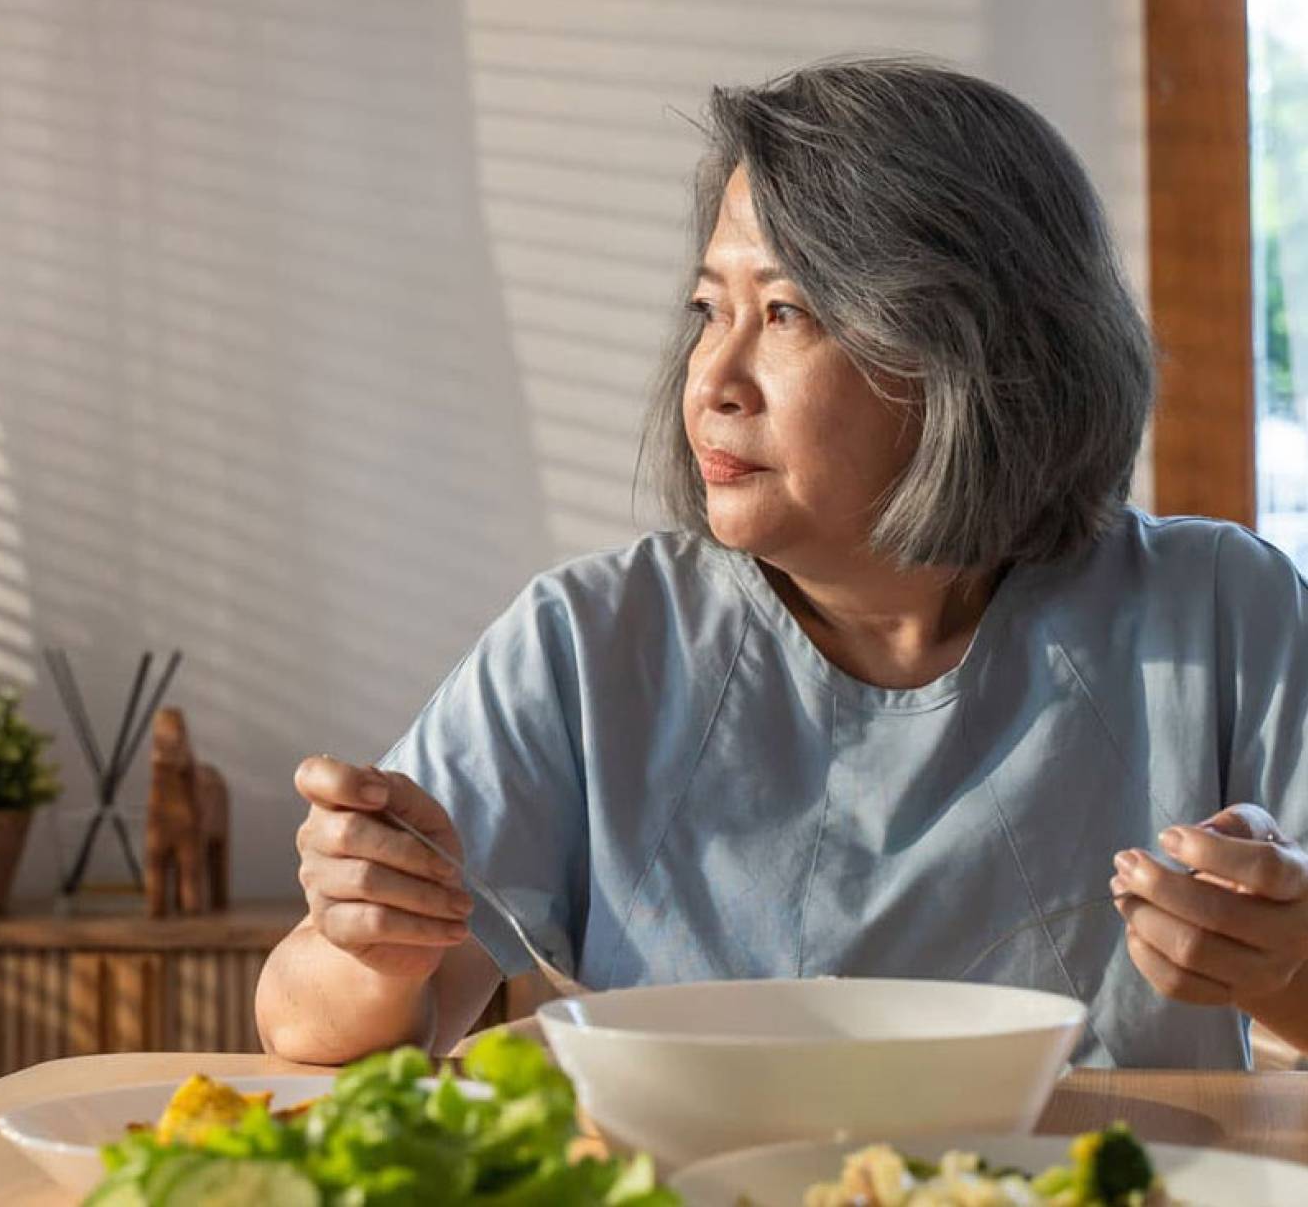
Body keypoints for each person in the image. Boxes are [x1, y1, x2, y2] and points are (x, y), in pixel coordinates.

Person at [256, 58, 1308, 1069]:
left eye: (787, 314)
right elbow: (308, 1027)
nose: (713, 376)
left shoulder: (1224, 612)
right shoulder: (588, 641)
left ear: (972, 356)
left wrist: (1286, 965)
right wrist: (369, 948)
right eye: (711, 310)